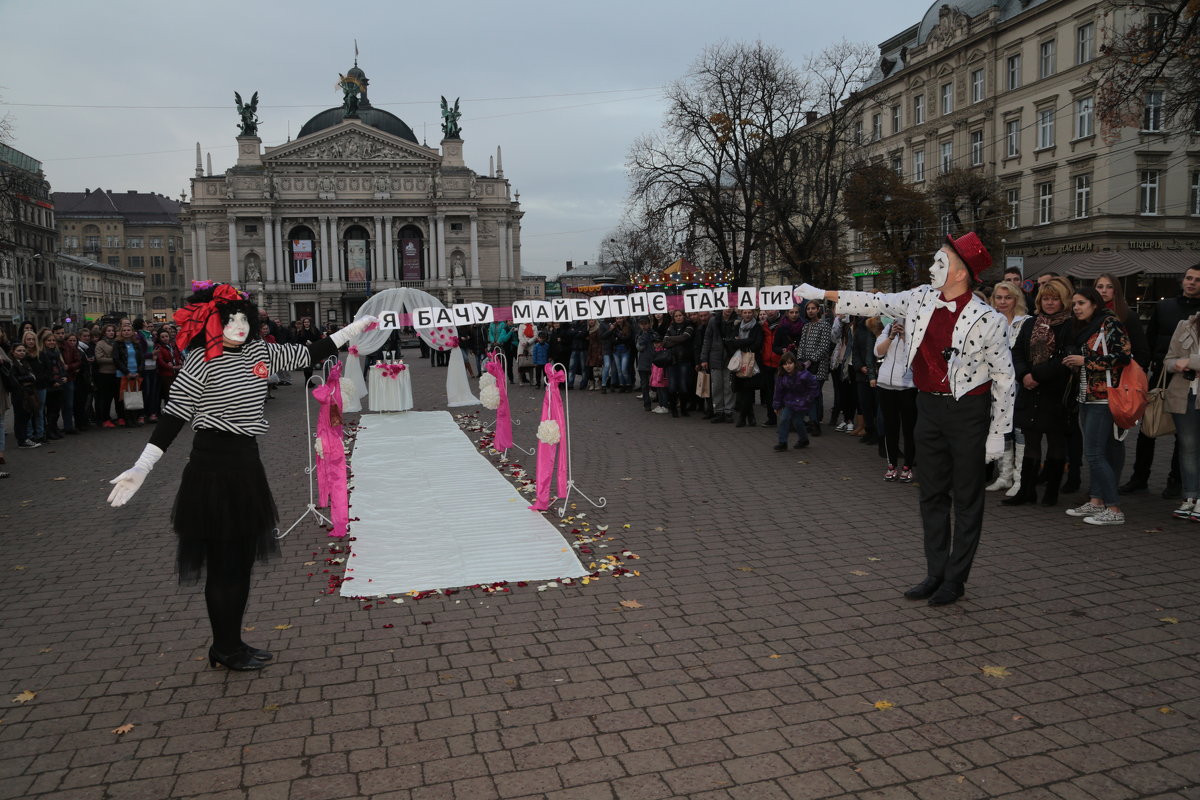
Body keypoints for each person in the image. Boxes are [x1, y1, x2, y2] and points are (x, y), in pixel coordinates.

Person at [106, 283, 376, 671]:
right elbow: (175, 414)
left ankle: (232, 642)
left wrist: (352, 331)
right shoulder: (201, 359)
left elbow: (309, 352)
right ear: (212, 324)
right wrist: (142, 466)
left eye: (242, 320)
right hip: (212, 467)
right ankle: (225, 648)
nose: (237, 327)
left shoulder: (261, 351)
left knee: (243, 558)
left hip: (247, 463)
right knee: (223, 562)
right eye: (228, 320)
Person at [795, 232, 1015, 607]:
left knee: (966, 498)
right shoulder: (919, 298)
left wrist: (998, 434)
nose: (931, 267)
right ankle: (935, 571)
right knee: (930, 492)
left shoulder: (988, 319)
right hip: (927, 406)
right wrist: (824, 293)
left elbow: (1005, 377)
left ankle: (955, 579)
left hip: (968, 412)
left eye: (940, 261)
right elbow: (874, 301)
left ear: (961, 273)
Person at [1121, 265, 1200, 499]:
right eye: (1188, 278)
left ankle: (1176, 481)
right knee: (1147, 427)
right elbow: (1150, 339)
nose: (1191, 282)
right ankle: (1139, 477)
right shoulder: (1164, 307)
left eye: (1197, 279)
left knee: (1184, 434)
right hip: (1160, 373)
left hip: (1189, 379)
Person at [1062, 286, 1132, 525]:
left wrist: (1086, 361)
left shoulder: (1109, 323)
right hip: (1086, 396)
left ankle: (1113, 509)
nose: (1076, 308)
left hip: (1104, 398)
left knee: (1094, 454)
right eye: (1074, 304)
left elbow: (1123, 357)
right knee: (1096, 452)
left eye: (1081, 303)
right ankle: (1096, 501)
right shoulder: (1085, 326)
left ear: (1094, 303)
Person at [1003, 277, 1074, 507]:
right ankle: (1026, 490)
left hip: (1056, 392)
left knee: (1055, 442)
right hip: (1030, 391)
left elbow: (1065, 358)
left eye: (1054, 299)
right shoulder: (1030, 323)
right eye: (1046, 298)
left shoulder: (1070, 326)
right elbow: (1017, 353)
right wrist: (1024, 375)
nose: (1050, 303)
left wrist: (1036, 376)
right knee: (1030, 442)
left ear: (1063, 301)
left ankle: (1051, 492)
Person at [985, 281, 1030, 494]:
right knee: (1001, 428)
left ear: (1016, 299)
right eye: (999, 297)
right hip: (996, 385)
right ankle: (1004, 475)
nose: (1003, 302)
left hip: (1020, 385)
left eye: (1008, 297)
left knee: (1019, 430)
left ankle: (1020, 478)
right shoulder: (989, 322)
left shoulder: (1026, 323)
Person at [1163, 309, 1200, 521]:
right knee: (1188, 449)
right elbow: (1168, 361)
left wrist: (1190, 362)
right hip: (1184, 395)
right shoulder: (1185, 325)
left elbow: (1188, 361)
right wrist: (1178, 364)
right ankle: (1190, 497)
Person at [875, 317, 917, 483]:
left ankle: (907, 466)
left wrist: (905, 337)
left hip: (908, 386)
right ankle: (891, 465)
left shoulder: (916, 331)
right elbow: (878, 352)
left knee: (908, 428)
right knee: (890, 427)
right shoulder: (887, 330)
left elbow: (916, 354)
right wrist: (891, 336)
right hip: (885, 384)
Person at [794, 300, 832, 436]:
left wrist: (811, 360)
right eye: (808, 309)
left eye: (813, 308)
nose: (810, 311)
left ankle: (815, 423)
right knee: (809, 395)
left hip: (818, 366)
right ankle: (813, 421)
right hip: (804, 366)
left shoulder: (825, 325)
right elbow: (801, 345)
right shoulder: (806, 326)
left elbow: (824, 347)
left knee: (814, 395)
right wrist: (799, 361)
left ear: (818, 310)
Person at [772, 351, 819, 451]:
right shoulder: (781, 375)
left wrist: (808, 398)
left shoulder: (804, 374)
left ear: (795, 362)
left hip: (803, 401)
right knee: (784, 419)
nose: (787, 366)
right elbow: (779, 391)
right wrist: (777, 406)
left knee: (797, 421)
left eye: (790, 363)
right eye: (785, 364)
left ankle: (803, 439)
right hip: (789, 401)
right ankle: (783, 442)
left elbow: (814, 386)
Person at [701, 307, 737, 423]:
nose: (729, 309)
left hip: (730, 358)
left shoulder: (737, 320)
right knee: (716, 386)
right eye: (727, 306)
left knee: (728, 386)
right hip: (715, 358)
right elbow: (707, 339)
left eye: (731, 307)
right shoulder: (713, 320)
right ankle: (719, 411)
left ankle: (728, 411)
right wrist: (704, 358)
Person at [661, 309, 695, 418]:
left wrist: (670, 339)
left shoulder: (689, 326)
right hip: (672, 361)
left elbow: (685, 337)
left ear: (684, 316)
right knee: (672, 386)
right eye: (676, 316)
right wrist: (677, 341)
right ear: (674, 318)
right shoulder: (671, 327)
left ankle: (684, 410)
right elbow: (664, 343)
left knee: (684, 386)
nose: (678, 317)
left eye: (680, 315)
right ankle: (674, 410)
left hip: (684, 360)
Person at [39, 330, 69, 439]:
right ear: (44, 342)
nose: (51, 342)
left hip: (59, 384)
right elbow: (44, 372)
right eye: (49, 340)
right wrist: (53, 382)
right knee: (51, 410)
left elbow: (61, 366)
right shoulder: (42, 354)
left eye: (53, 340)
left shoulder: (56, 353)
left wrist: (64, 376)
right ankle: (50, 430)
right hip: (49, 386)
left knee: (56, 410)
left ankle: (54, 428)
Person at [11, 343, 41, 449]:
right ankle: (22, 440)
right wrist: (28, 378)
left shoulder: (24, 363)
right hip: (19, 395)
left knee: (26, 416)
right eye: (19, 351)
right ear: (13, 352)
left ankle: (25, 438)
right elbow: (14, 380)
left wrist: (29, 378)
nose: (22, 352)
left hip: (28, 393)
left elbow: (33, 376)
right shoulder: (12, 364)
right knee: (20, 417)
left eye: (23, 350)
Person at [94, 323, 119, 427]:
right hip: (105, 374)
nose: (111, 332)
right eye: (108, 331)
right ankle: (105, 419)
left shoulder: (117, 342)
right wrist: (113, 360)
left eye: (112, 330)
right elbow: (99, 359)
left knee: (117, 397)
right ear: (104, 332)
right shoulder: (100, 343)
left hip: (116, 373)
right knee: (106, 398)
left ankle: (119, 417)